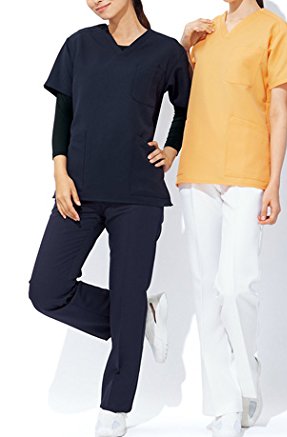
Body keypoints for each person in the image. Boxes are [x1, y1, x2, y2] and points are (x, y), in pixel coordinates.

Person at [28, 1, 191, 436]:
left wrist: (171, 148)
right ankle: (137, 316)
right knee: (46, 290)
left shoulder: (166, 52)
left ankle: (115, 409)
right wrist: (59, 172)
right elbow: (64, 113)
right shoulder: (79, 45)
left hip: (138, 196)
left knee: (127, 294)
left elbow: (188, 107)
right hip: (79, 190)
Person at [176, 0, 287, 436]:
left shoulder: (274, 31)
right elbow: (186, 95)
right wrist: (183, 47)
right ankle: (225, 406)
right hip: (198, 168)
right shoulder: (204, 33)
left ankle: (247, 376)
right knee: (205, 290)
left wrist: (274, 183)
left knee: (237, 286)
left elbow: (279, 111)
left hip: (249, 171)